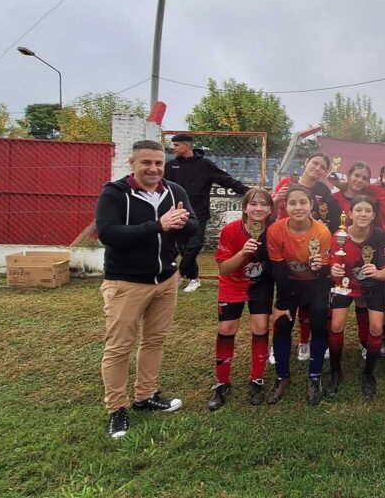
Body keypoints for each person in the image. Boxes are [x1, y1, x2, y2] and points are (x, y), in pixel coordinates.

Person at [95, 139, 199, 439]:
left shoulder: (174, 191)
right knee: (119, 348)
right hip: (126, 282)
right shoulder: (115, 193)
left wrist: (182, 222)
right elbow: (108, 234)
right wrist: (158, 225)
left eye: (158, 163)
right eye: (146, 163)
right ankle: (117, 409)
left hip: (166, 280)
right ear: (133, 164)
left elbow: (194, 225)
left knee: (154, 341)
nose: (153, 168)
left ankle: (146, 396)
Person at [208, 188, 275, 410]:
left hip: (260, 285)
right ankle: (221, 382)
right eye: (253, 204)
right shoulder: (230, 230)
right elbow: (224, 269)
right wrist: (242, 253)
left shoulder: (273, 231)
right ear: (244, 207)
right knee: (227, 329)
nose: (258, 208)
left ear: (270, 209)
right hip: (233, 284)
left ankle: (256, 378)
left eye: (264, 204)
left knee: (260, 327)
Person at [266, 185, 333, 405]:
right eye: (292, 203)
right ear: (285, 206)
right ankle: (282, 377)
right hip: (290, 283)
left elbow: (324, 273)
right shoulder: (275, 230)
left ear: (311, 205)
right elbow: (279, 270)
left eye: (303, 202)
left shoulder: (322, 232)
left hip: (316, 285)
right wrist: (281, 303)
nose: (298, 207)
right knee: (283, 323)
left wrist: (317, 267)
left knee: (318, 322)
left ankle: (314, 377)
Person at [274, 152, 341, 362]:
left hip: (310, 247)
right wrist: (276, 199)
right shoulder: (287, 183)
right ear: (306, 163)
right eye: (315, 163)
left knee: (310, 299)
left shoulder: (323, 191)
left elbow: (327, 217)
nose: (318, 168)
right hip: (285, 245)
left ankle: (306, 342)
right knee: (285, 296)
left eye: (323, 166)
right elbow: (271, 210)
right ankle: (278, 344)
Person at [164, 134, 248, 293]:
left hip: (199, 214)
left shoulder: (205, 165)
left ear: (187, 146)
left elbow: (226, 180)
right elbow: (160, 187)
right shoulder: (170, 166)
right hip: (177, 215)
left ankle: (180, 274)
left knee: (194, 245)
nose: (173, 148)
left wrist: (248, 191)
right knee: (183, 248)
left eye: (176, 145)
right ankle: (194, 279)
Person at [329, 196, 385, 399]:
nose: (363, 214)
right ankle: (335, 371)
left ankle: (368, 373)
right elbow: (331, 271)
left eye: (367, 211)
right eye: (359, 210)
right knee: (336, 325)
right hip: (344, 286)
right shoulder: (339, 235)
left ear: (373, 215)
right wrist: (334, 271)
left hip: (371, 286)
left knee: (376, 327)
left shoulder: (380, 236)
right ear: (350, 213)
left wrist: (377, 272)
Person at [329, 161, 378, 357]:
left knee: (362, 300)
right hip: (337, 254)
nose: (360, 180)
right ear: (348, 175)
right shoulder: (333, 199)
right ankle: (328, 342)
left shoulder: (369, 199)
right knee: (335, 298)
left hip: (363, 250)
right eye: (357, 175)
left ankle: (364, 341)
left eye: (365, 177)